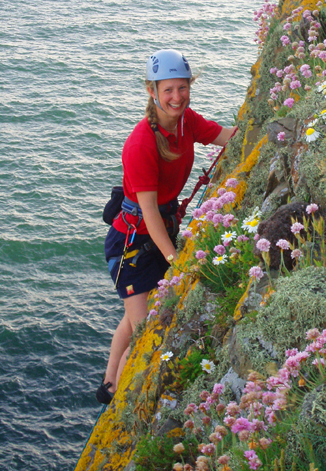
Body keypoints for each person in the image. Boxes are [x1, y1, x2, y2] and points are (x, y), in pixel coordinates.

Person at [96, 49, 235, 404]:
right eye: (168, 90)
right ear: (152, 91)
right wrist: (176, 260)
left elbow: (227, 136)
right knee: (144, 328)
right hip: (133, 243)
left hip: (157, 234)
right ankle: (123, 403)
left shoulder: (187, 121)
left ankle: (110, 382)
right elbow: (149, 213)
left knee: (133, 317)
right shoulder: (141, 143)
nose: (177, 97)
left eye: (182, 88)